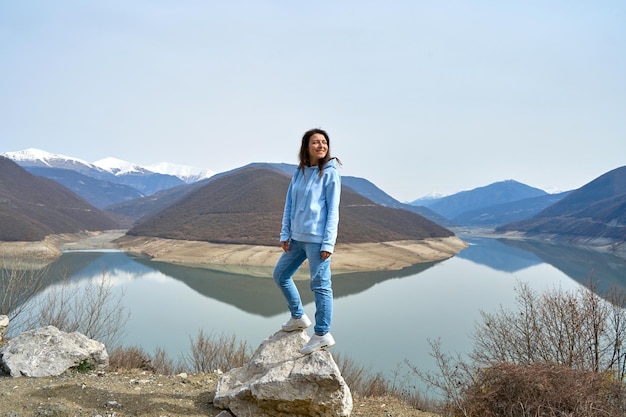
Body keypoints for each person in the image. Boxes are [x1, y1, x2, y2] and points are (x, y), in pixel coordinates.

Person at [273, 128, 341, 355]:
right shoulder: (299, 172)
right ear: (306, 146)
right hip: (297, 239)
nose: (321, 146)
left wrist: (328, 243)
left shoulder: (330, 173)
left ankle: (322, 333)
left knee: (320, 285)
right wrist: (285, 234)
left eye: (324, 142)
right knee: (280, 275)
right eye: (316, 142)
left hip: (317, 240)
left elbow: (333, 211)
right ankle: (298, 316)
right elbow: (289, 205)